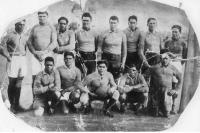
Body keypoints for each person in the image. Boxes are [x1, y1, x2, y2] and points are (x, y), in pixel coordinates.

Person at [0, 19, 27, 113]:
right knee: (12, 82)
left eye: (23, 25)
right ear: (16, 25)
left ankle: (17, 105)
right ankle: (11, 105)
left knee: (19, 82)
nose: (22, 26)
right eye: (19, 25)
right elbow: (1, 46)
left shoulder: (25, 35)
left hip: (23, 59)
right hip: (13, 59)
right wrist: (7, 56)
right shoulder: (10, 35)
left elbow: (27, 47)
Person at [27, 10, 57, 88]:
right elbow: (29, 42)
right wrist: (34, 52)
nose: (42, 18)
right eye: (40, 16)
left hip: (47, 54)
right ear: (38, 17)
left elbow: (54, 43)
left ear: (47, 17)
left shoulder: (51, 27)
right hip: (36, 55)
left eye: (44, 16)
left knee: (48, 76)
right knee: (35, 75)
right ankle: (35, 96)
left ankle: (47, 96)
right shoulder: (35, 27)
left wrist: (45, 52)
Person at [149, 53, 182, 118]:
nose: (164, 60)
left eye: (166, 58)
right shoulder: (155, 67)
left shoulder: (172, 68)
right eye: (163, 59)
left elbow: (180, 78)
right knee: (154, 114)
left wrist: (175, 90)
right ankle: (156, 108)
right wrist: (149, 87)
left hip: (167, 91)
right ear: (160, 59)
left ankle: (168, 110)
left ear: (169, 59)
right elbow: (146, 75)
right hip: (156, 91)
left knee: (166, 113)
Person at [164, 24, 187, 113]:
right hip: (169, 64)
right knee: (168, 84)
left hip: (178, 64)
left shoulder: (183, 43)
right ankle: (167, 106)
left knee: (175, 85)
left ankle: (174, 105)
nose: (174, 33)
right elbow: (165, 53)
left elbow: (184, 56)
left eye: (176, 32)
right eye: (173, 31)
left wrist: (179, 63)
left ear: (180, 33)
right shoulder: (167, 42)